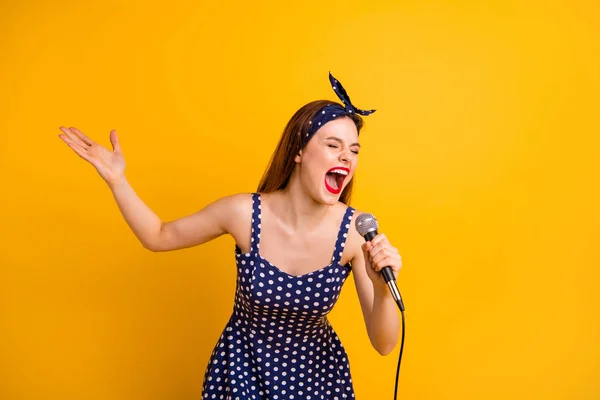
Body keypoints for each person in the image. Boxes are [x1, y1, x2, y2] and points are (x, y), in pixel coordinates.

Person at [58, 72, 403, 400]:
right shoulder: (244, 214)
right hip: (240, 376)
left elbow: (384, 344)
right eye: (333, 145)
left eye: (354, 150)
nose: (346, 156)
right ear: (299, 151)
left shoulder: (356, 233)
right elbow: (159, 236)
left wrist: (382, 288)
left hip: (319, 382)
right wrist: (118, 181)